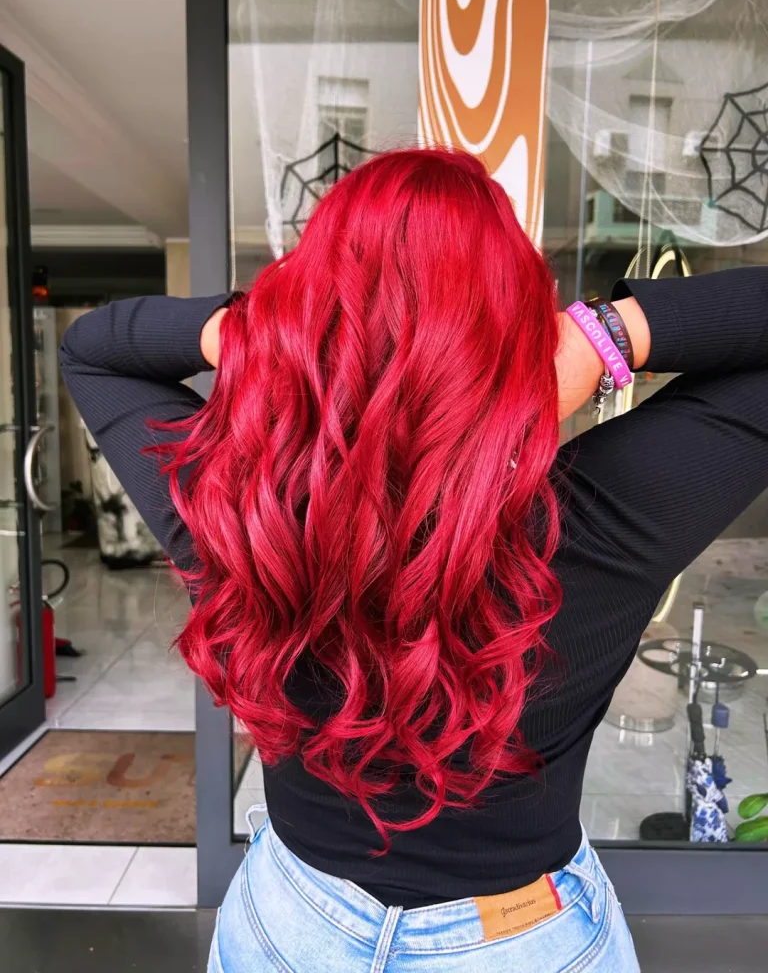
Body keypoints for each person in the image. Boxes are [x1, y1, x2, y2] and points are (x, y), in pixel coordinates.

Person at [60, 148, 768, 972]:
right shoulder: (611, 515)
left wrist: (263, 333)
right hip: (520, 942)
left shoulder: (237, 517)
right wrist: (602, 337)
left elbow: (92, 347)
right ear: (519, 330)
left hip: (287, 927)